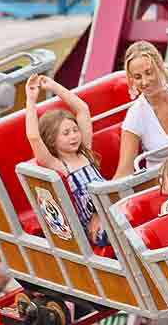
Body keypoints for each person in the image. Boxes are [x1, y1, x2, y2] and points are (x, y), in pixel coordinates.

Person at [25, 74, 109, 247]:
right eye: (65, 133)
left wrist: (54, 87)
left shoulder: (85, 152)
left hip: (109, 211)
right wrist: (31, 100)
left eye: (75, 130)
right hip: (95, 229)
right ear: (51, 139)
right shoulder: (58, 165)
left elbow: (83, 109)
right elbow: (33, 136)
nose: (73, 137)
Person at [114, 41, 168, 178]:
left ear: (159, 66)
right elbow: (125, 171)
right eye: (137, 77)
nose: (145, 82)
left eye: (149, 73)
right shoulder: (135, 115)